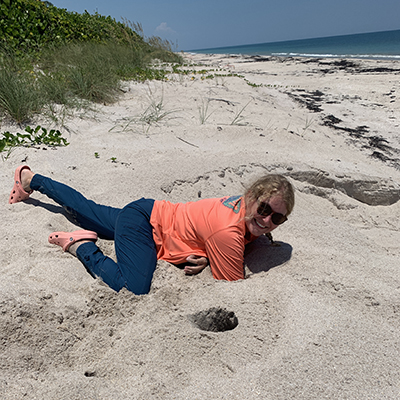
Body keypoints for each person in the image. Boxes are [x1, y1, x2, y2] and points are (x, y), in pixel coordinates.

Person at [8, 165, 294, 294]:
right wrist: (214, 255)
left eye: (277, 219)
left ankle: (32, 179)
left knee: (85, 210)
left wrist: (208, 254)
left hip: (148, 211)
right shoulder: (228, 232)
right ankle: (81, 246)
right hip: (144, 226)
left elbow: (214, 237)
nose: (267, 221)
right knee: (134, 287)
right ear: (252, 197)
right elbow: (234, 288)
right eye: (265, 210)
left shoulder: (239, 208)